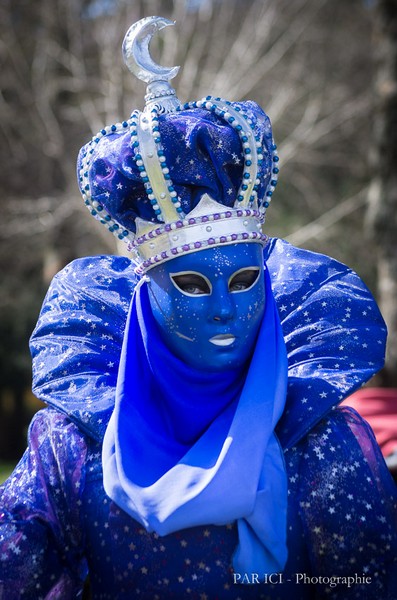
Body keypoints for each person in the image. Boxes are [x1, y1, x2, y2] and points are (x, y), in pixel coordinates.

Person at [1, 16, 397, 600]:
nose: (224, 311)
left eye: (243, 281)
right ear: (142, 293)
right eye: (190, 283)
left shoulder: (319, 438)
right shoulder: (72, 445)